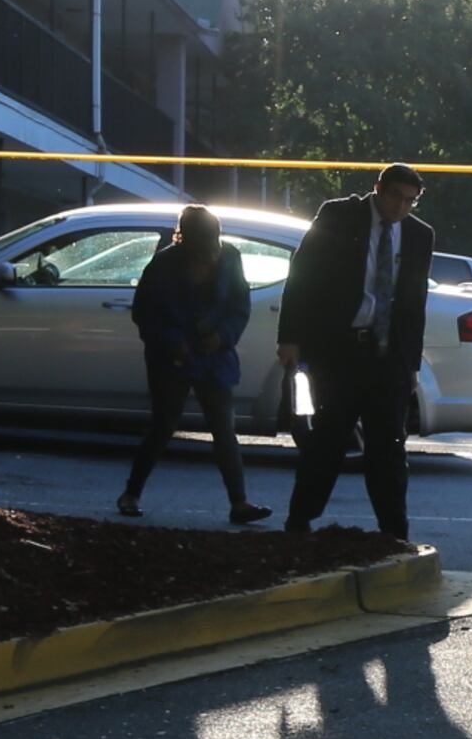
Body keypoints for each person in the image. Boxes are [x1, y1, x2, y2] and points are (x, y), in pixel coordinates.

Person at [277, 162, 433, 538]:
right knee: (329, 439)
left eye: (410, 201)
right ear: (378, 188)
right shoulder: (340, 215)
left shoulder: (418, 235)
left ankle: (395, 531)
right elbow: (302, 275)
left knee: (389, 447)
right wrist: (291, 337)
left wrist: (411, 364)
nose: (400, 206)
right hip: (340, 351)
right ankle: (300, 520)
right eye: (395, 195)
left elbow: (414, 303)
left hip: (388, 355)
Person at [117, 204, 269, 523]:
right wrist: (175, 343)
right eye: (205, 243)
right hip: (171, 357)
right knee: (163, 425)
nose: (212, 250)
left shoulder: (231, 257)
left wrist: (223, 337)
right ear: (185, 239)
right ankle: (131, 493)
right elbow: (144, 314)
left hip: (215, 356)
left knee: (223, 430)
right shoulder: (164, 264)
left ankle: (239, 503)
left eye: (215, 239)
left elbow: (240, 306)